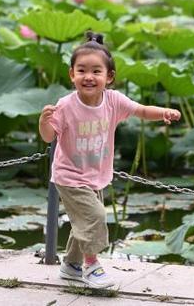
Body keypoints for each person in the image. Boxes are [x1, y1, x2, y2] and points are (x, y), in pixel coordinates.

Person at [39, 31, 181, 289]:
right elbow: (49, 137)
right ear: (72, 75)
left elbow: (140, 110)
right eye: (81, 71)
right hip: (69, 176)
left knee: (83, 223)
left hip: (95, 174)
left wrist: (164, 113)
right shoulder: (66, 105)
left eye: (96, 71)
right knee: (94, 218)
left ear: (109, 77)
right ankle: (91, 265)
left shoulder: (113, 101)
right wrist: (44, 122)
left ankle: (71, 266)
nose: (89, 77)